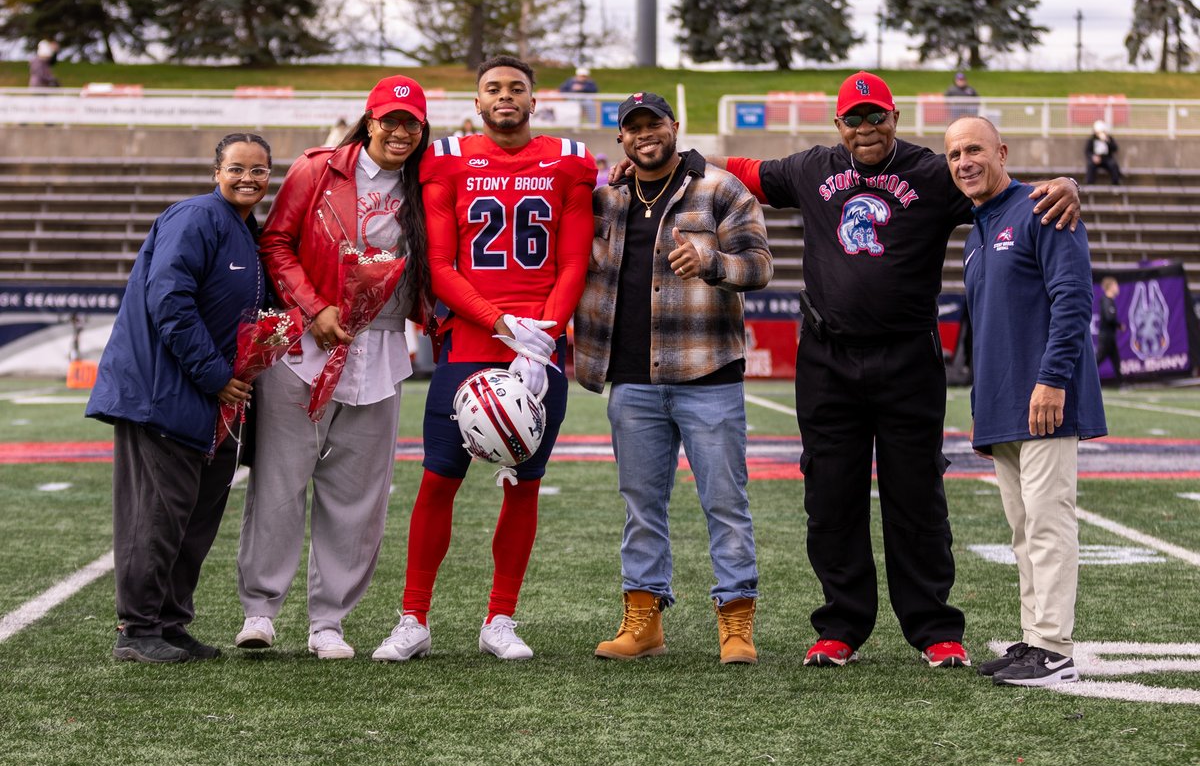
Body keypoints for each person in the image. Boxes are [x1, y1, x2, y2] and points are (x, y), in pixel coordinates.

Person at [709, 71, 1081, 670]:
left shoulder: (936, 171)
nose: (865, 128)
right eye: (853, 119)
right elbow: (743, 170)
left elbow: (1005, 190)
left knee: (917, 496)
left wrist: (1063, 184)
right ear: (838, 125)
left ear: (895, 117)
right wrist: (673, 158)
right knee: (831, 495)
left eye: (875, 116)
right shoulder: (811, 167)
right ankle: (841, 626)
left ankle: (934, 628)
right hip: (828, 357)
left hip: (908, 356)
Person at [371, 55, 596, 663]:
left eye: (516, 88)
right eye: (493, 88)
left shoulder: (569, 159)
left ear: (533, 99)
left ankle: (500, 618)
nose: (505, 97)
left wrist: (542, 334)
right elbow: (440, 267)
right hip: (469, 343)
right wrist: (501, 324)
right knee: (439, 479)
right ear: (477, 101)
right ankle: (412, 618)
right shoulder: (446, 157)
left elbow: (574, 260)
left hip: (541, 349)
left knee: (524, 483)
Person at [234, 76, 434, 659]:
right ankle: (260, 610)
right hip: (305, 349)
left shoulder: (428, 184)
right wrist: (314, 307)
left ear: (423, 131)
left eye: (411, 123)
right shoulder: (319, 168)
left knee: (358, 497)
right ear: (369, 120)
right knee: (278, 484)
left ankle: (329, 622)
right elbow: (276, 242)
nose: (399, 131)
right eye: (389, 119)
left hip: (383, 352)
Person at [576, 93, 773, 664]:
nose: (644, 135)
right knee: (641, 504)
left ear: (674, 127)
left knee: (725, 502)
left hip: (707, 371)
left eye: (653, 124)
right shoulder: (608, 197)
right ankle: (643, 621)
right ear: (622, 139)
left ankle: (735, 624)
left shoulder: (719, 188)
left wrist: (711, 262)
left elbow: (761, 267)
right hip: (632, 379)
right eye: (632, 128)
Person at [86, 133, 272, 662]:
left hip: (210, 402)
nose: (247, 179)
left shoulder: (245, 231)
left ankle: (169, 622)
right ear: (216, 171)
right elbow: (169, 300)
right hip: (165, 394)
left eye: (258, 171)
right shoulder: (195, 216)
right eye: (237, 168)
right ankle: (137, 629)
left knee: (193, 519)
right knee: (158, 516)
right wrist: (215, 376)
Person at [945, 116, 1106, 686]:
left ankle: (1055, 649)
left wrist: (1053, 378)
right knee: (1022, 527)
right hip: (1004, 405)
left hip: (1046, 398)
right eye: (955, 153)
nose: (964, 161)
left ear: (1002, 152)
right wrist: (983, 413)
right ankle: (1034, 640)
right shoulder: (975, 230)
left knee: (1047, 522)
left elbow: (1073, 296)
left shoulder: (1044, 207)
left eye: (975, 149)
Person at [1095, 276, 1123, 382]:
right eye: (1116, 285)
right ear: (1110, 287)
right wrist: (1118, 325)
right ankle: (1087, 380)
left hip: (1110, 337)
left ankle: (1121, 383)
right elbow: (1109, 317)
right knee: (1098, 359)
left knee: (1116, 360)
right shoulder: (1106, 301)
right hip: (1106, 337)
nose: (1117, 287)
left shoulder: (1110, 300)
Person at [1085, 120, 1122, 185]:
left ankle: (1116, 183)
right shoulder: (1092, 139)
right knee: (1090, 166)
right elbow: (1087, 151)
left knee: (1113, 165)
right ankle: (1090, 184)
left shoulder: (1109, 138)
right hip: (1096, 159)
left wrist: (1107, 141)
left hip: (1106, 158)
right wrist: (1093, 157)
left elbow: (1115, 149)